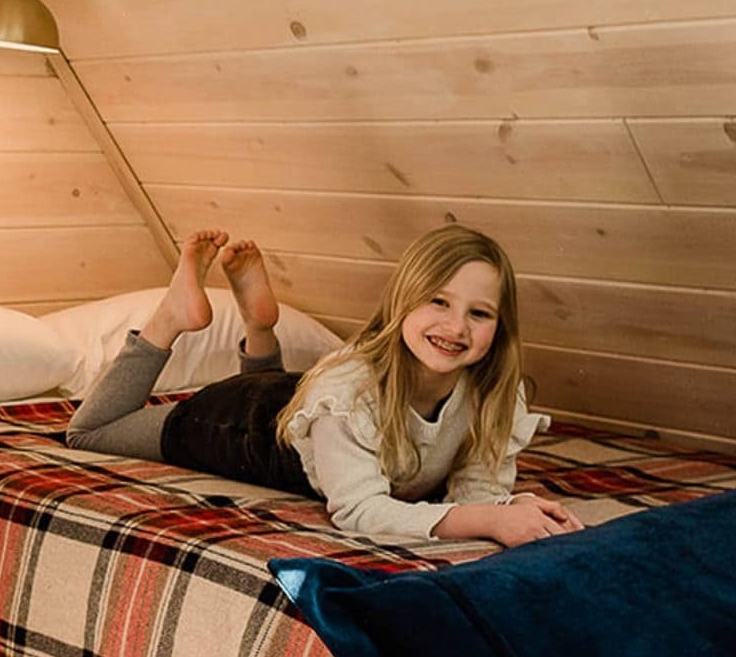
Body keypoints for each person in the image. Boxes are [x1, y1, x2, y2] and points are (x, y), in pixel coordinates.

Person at [66, 225, 581, 547]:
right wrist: (488, 521)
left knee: (286, 392)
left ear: (501, 325)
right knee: (91, 432)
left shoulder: (493, 392)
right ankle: (173, 315)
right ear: (402, 301)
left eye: (480, 313)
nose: (456, 328)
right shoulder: (349, 391)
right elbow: (357, 511)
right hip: (239, 425)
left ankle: (260, 327)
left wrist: (508, 509)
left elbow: (474, 494)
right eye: (438, 303)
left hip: (300, 403)